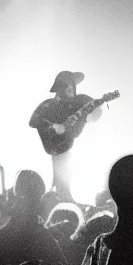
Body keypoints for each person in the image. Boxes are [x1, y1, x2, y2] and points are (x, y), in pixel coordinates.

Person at [29, 71, 102, 202]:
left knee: (64, 163)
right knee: (60, 163)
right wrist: (52, 127)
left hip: (67, 142)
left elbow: (96, 108)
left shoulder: (80, 100)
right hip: (55, 144)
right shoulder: (48, 105)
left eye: (71, 85)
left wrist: (91, 115)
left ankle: (62, 192)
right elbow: (34, 121)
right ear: (59, 87)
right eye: (65, 85)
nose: (69, 88)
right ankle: (60, 192)